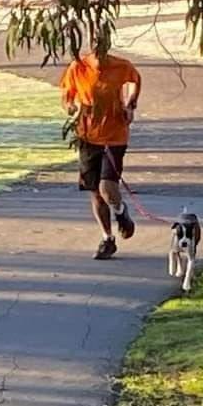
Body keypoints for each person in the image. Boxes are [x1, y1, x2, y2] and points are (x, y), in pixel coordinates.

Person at [59, 39, 143, 259]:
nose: (100, 55)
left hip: (115, 136)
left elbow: (135, 80)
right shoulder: (78, 67)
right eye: (96, 49)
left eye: (103, 49)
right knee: (95, 192)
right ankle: (108, 239)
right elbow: (67, 95)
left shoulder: (120, 66)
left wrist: (130, 104)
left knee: (107, 187)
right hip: (87, 136)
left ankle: (121, 212)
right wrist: (71, 108)